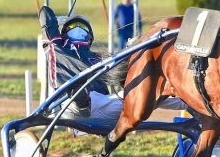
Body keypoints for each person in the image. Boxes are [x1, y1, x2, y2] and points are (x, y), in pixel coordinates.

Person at [39, 6, 187, 120]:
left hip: (103, 103)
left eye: (83, 27)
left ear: (90, 37)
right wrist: (56, 21)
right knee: (77, 92)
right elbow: (45, 13)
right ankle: (80, 99)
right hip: (67, 102)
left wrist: (132, 47)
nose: (78, 29)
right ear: (63, 33)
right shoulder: (56, 46)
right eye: (72, 27)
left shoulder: (99, 58)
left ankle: (188, 100)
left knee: (147, 93)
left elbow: (126, 72)